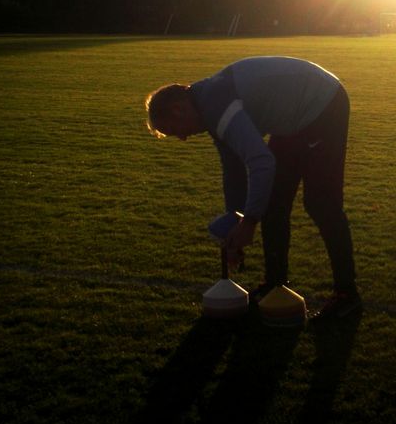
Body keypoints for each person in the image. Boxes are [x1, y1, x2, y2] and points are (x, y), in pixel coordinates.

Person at [145, 56, 361, 320]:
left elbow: (261, 161)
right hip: (294, 115)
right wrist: (233, 225)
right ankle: (276, 283)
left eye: (174, 130)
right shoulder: (207, 104)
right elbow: (233, 171)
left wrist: (248, 222)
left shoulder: (215, 106)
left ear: (179, 109)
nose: (182, 137)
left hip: (323, 103)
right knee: (272, 202)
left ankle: (347, 294)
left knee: (320, 203)